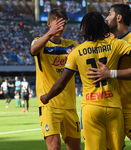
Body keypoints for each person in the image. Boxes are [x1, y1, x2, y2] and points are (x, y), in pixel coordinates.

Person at [40, 12, 131, 150]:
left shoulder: (76, 52)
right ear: (103, 27)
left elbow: (60, 84)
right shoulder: (115, 44)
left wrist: (46, 97)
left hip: (91, 108)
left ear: (84, 29)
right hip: (113, 107)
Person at [87, 4, 131, 150]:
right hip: (113, 106)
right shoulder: (108, 41)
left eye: (109, 14)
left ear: (119, 18)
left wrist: (110, 74)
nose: (106, 18)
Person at [30, 8, 81, 150]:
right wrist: (50, 33)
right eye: (57, 24)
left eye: (63, 24)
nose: (61, 28)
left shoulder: (72, 45)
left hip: (70, 106)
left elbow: (84, 64)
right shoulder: (39, 43)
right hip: (49, 106)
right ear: (48, 24)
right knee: (55, 147)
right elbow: (33, 50)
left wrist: (75, 57)